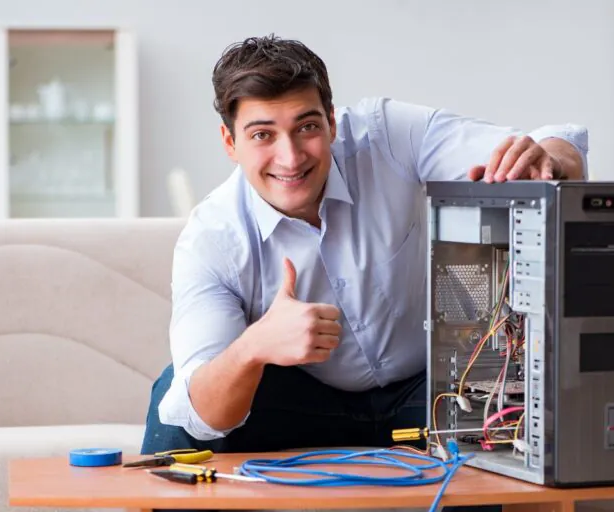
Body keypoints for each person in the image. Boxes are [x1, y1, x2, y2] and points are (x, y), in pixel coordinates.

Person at [141, 34, 588, 512]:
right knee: (174, 395)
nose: (291, 158)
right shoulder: (213, 238)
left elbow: (552, 145)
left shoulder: (389, 134)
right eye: (262, 134)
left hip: (431, 394)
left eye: (306, 126)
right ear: (231, 142)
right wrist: (256, 346)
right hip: (302, 406)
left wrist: (548, 160)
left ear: (332, 122)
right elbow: (202, 415)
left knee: (509, 390)